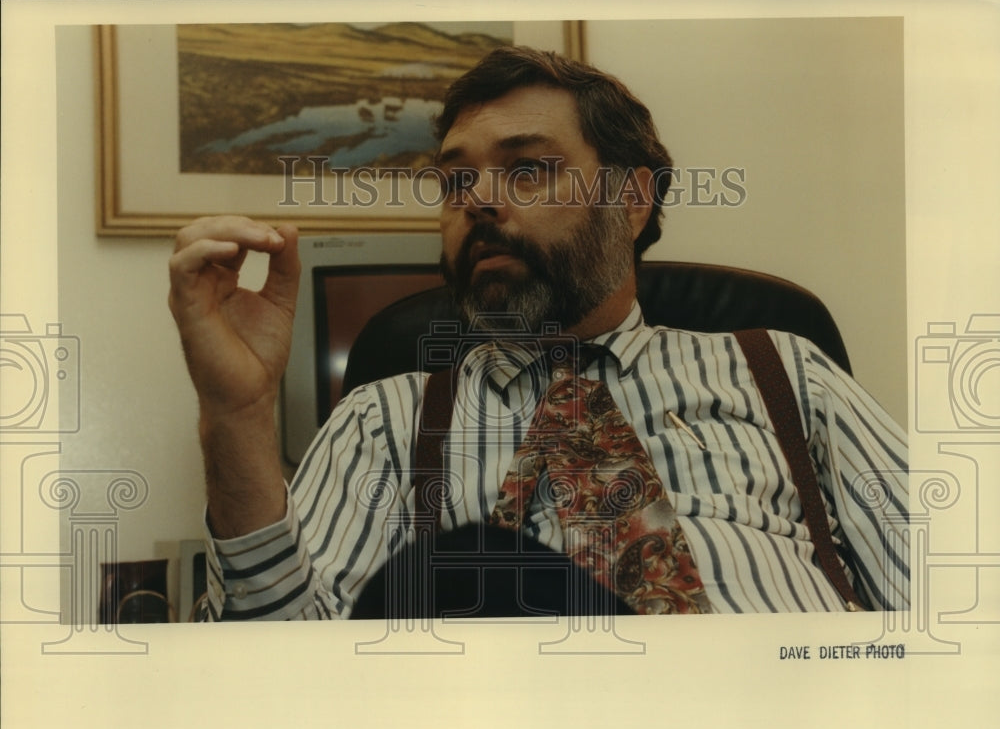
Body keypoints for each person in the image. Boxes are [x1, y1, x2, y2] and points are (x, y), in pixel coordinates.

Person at [168, 46, 909, 621]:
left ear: (631, 202)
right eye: (457, 181)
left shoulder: (786, 373)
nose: (480, 200)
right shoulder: (383, 420)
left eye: (527, 170)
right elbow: (268, 671)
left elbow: (965, 599)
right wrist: (236, 416)